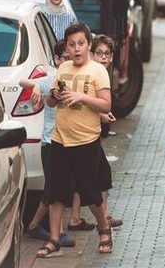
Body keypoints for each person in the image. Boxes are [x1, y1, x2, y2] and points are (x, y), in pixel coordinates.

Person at [36, 22, 113, 258]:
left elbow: (106, 104)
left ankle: (104, 228)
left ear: (89, 45)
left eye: (81, 43)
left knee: (90, 190)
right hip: (60, 139)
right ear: (66, 49)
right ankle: (54, 239)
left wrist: (82, 96)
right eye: (72, 45)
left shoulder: (98, 71)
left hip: (86, 141)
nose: (76, 48)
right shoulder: (63, 69)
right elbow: (50, 103)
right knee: (56, 191)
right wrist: (53, 95)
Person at [21, 41, 75, 247]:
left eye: (70, 58)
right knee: (54, 188)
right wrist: (35, 85)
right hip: (50, 142)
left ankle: (35, 225)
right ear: (57, 60)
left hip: (67, 141)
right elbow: (22, 82)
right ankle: (55, 231)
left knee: (55, 187)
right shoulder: (53, 79)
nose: (68, 61)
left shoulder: (76, 79)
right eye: (64, 58)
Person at [68, 34, 123, 231]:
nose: (104, 58)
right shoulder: (92, 74)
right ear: (92, 53)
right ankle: (102, 218)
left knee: (84, 177)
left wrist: (102, 117)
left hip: (90, 134)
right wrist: (102, 115)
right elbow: (84, 104)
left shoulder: (101, 73)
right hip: (83, 135)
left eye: (107, 54)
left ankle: (78, 217)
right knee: (98, 177)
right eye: (99, 53)